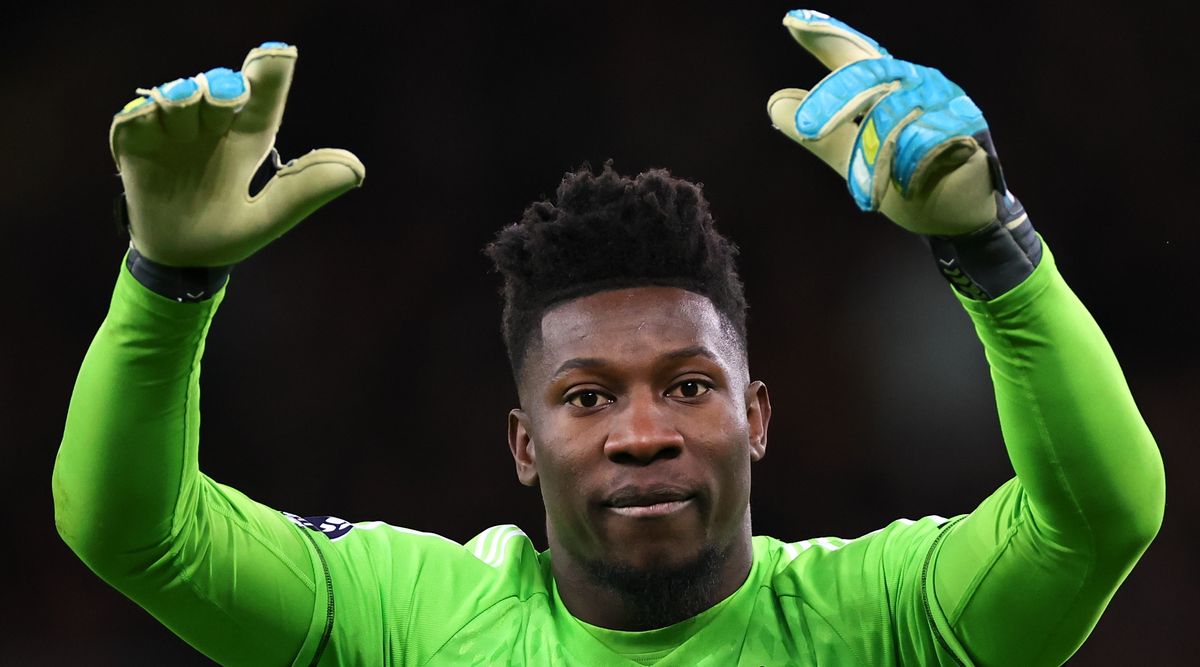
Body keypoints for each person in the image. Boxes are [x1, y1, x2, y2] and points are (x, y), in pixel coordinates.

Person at [53, 10, 1164, 666]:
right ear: (522, 443)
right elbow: (135, 530)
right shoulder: (417, 618)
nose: (643, 433)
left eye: (687, 386)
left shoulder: (880, 618)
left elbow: (1099, 518)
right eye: (587, 396)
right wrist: (167, 283)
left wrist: (993, 246)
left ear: (756, 416)